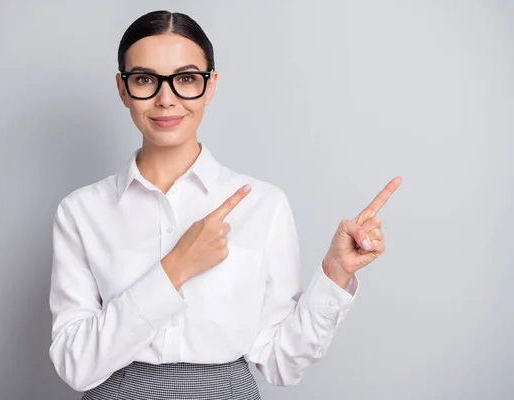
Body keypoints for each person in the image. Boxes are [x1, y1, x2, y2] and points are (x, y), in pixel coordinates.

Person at [48, 9, 402, 400]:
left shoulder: (263, 205)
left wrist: (335, 275)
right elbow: (75, 364)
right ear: (122, 88)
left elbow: (282, 363)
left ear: (210, 85)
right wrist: (176, 267)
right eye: (145, 79)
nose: (166, 99)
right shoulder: (81, 212)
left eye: (185, 79)